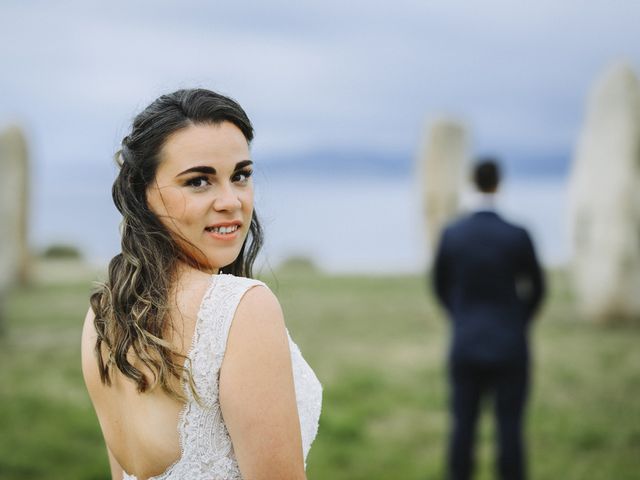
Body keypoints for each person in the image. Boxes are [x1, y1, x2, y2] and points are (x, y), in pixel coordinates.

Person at [81, 89, 322, 480]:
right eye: (198, 181)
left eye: (241, 175)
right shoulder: (242, 308)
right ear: (143, 194)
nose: (231, 201)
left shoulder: (105, 313)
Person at [432, 158, 545, 480]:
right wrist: (517, 319)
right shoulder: (517, 234)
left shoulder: (452, 234)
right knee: (510, 427)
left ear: (472, 183)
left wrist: (460, 315)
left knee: (462, 425)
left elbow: (439, 285)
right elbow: (537, 288)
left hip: (466, 341)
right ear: (498, 183)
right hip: (510, 343)